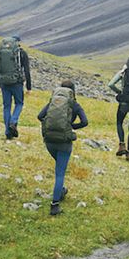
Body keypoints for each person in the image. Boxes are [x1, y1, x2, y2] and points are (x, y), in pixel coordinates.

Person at [38, 80, 88, 215]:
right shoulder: (74, 104)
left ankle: (60, 191)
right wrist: (70, 127)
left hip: (49, 142)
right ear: (73, 91)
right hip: (64, 143)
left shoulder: (52, 102)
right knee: (60, 173)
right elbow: (85, 122)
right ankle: (55, 205)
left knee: (59, 167)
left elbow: (40, 116)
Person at [0, 35, 31, 140]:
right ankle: (13, 122)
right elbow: (27, 71)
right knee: (19, 103)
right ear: (18, 42)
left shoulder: (2, 52)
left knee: (6, 107)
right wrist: (29, 87)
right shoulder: (21, 53)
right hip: (17, 83)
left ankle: (8, 132)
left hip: (4, 83)